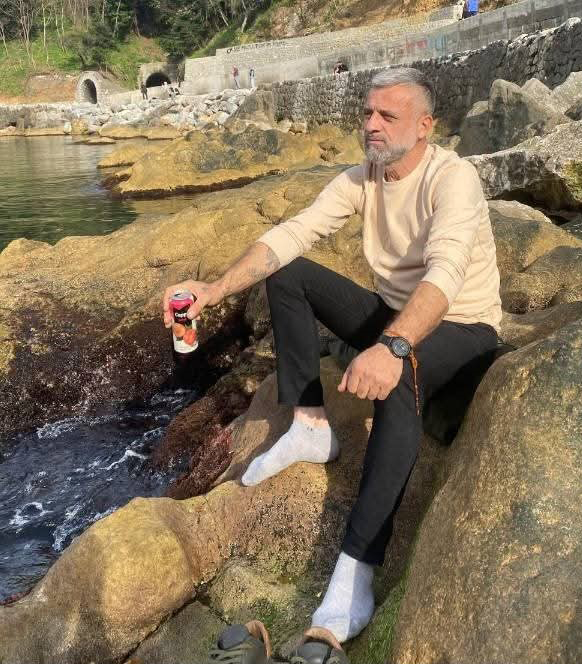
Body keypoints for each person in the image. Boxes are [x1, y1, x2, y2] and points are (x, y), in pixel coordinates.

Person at [162, 66, 501, 646]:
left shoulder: (453, 178)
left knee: (400, 375)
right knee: (289, 273)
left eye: (387, 115)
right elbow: (292, 234)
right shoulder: (361, 178)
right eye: (367, 113)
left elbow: (445, 275)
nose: (371, 124)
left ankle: (357, 569)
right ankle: (311, 426)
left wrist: (392, 348)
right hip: (394, 314)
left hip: (462, 325)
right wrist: (214, 290)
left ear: (425, 126)